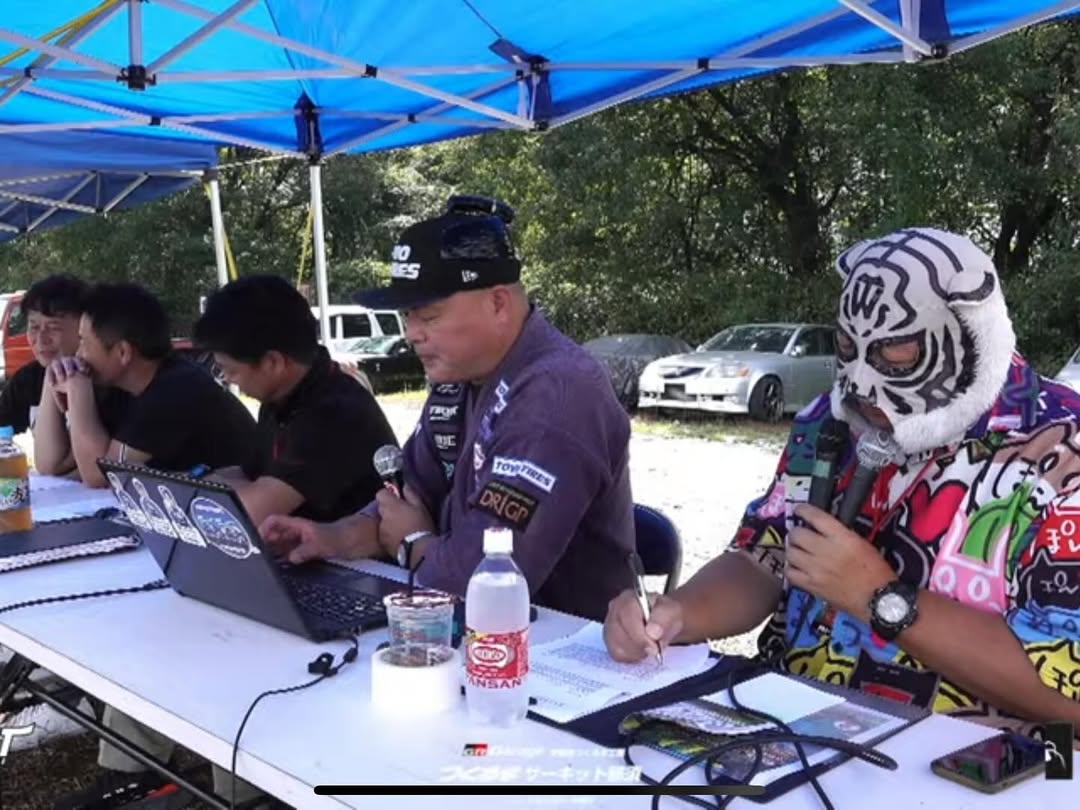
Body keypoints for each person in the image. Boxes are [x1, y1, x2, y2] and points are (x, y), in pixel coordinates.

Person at [603, 227, 1080, 746]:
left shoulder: (1061, 451)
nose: (860, 385)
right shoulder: (828, 421)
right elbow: (765, 557)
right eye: (849, 349)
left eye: (896, 356)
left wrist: (882, 598)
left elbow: (1070, 699)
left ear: (970, 338)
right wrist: (679, 614)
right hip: (796, 728)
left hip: (993, 766)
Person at [260, 195, 636, 622]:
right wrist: (331, 538)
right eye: (407, 316)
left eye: (429, 316)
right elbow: (407, 493)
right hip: (466, 626)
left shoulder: (558, 394)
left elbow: (484, 579)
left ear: (498, 303)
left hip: (560, 642)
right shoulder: (460, 377)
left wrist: (413, 542)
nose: (411, 334)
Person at [192, 273, 400, 526]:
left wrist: (197, 494)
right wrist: (196, 482)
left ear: (273, 362)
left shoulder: (334, 413)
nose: (227, 379)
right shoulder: (282, 397)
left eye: (230, 370)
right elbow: (247, 475)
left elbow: (249, 512)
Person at [33, 282, 256, 487]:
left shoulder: (174, 390)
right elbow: (51, 465)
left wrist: (77, 390)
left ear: (123, 352)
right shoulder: (124, 387)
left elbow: (100, 476)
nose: (78, 354)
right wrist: (51, 380)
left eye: (84, 342)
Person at [0, 274, 128, 440]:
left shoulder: (111, 382)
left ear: (84, 327)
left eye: (54, 327)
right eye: (34, 327)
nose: (41, 339)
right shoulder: (26, 381)